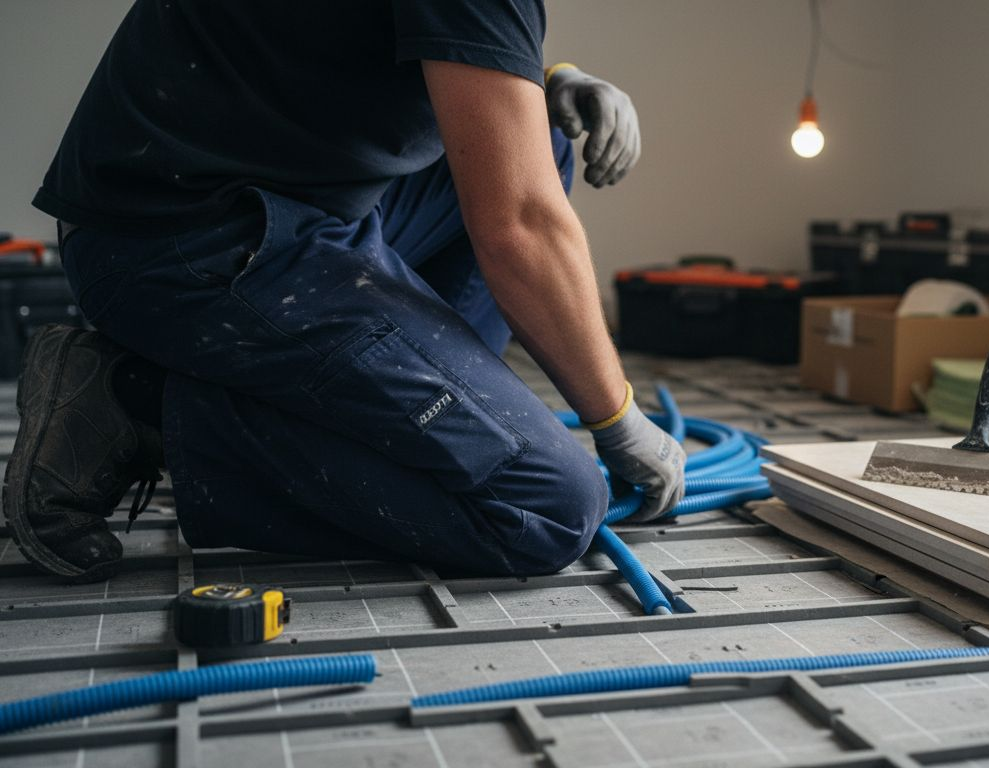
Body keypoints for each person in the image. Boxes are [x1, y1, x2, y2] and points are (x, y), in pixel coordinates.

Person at [4, 1, 685, 584]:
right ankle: (133, 405)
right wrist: (618, 419)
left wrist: (544, 81)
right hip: (181, 243)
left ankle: (430, 408)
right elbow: (521, 226)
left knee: (544, 141)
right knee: (547, 507)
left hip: (212, 189)